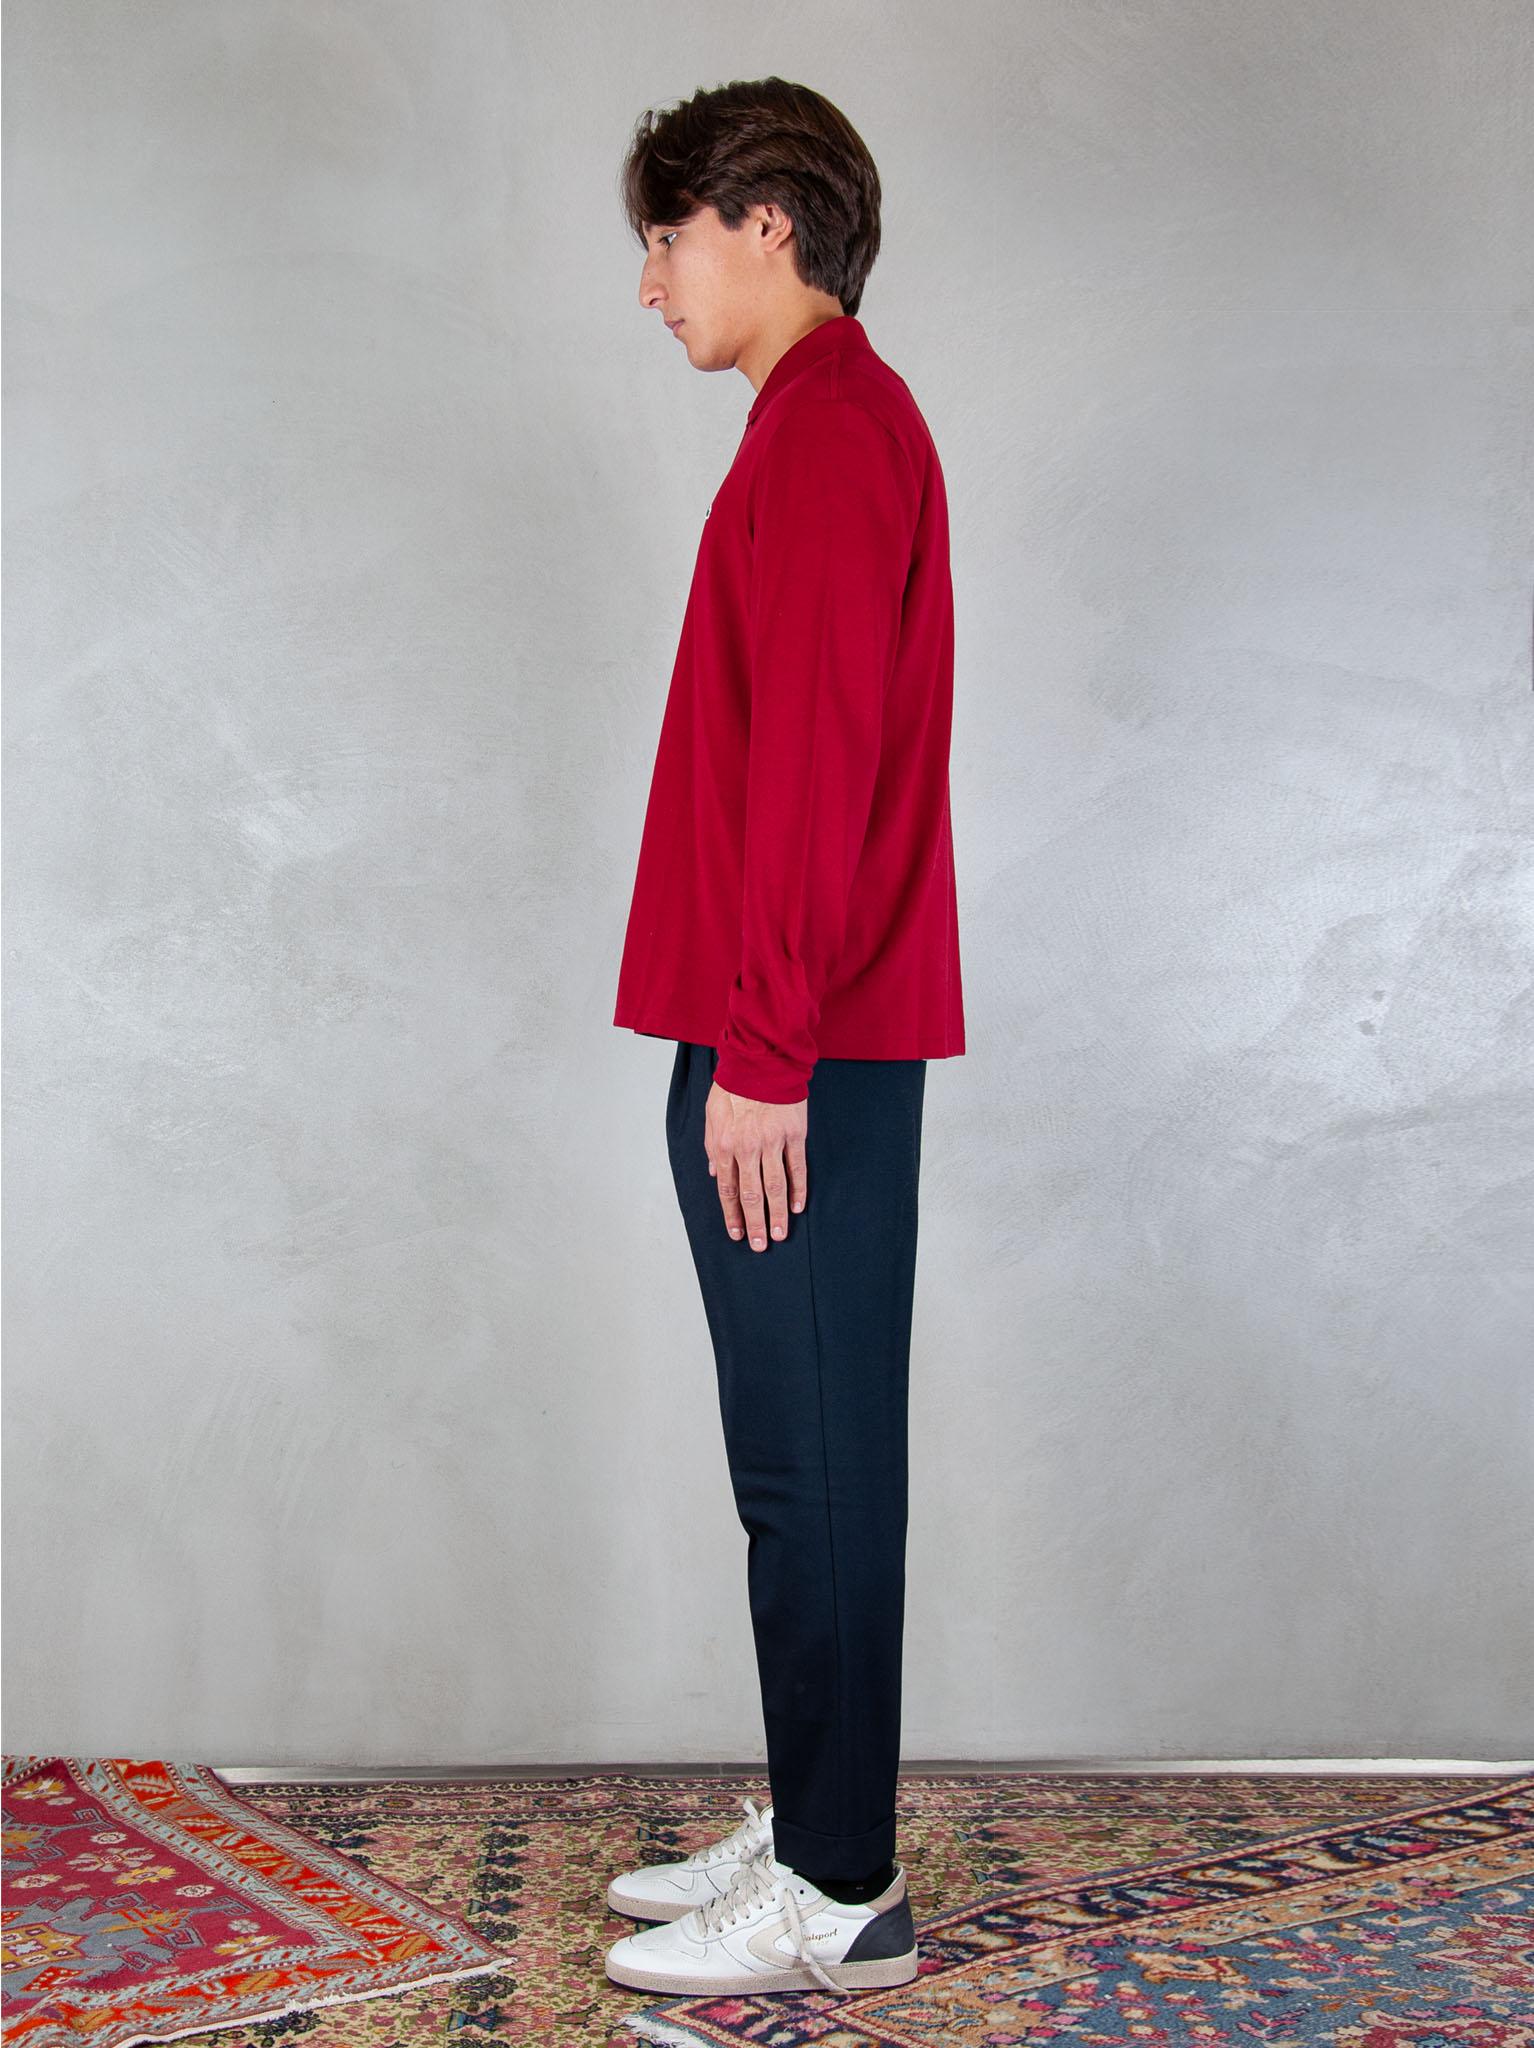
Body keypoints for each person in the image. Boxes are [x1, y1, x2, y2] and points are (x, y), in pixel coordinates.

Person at [603, 75, 965, 2002]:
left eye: (665, 238)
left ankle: (839, 1888)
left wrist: (762, 1055)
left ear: (764, 222)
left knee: (810, 1463)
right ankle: (819, 1812)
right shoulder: (817, 420)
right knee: (795, 1454)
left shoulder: (828, 430)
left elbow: (817, 765)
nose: (650, 282)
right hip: (781, 1029)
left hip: (793, 1045)